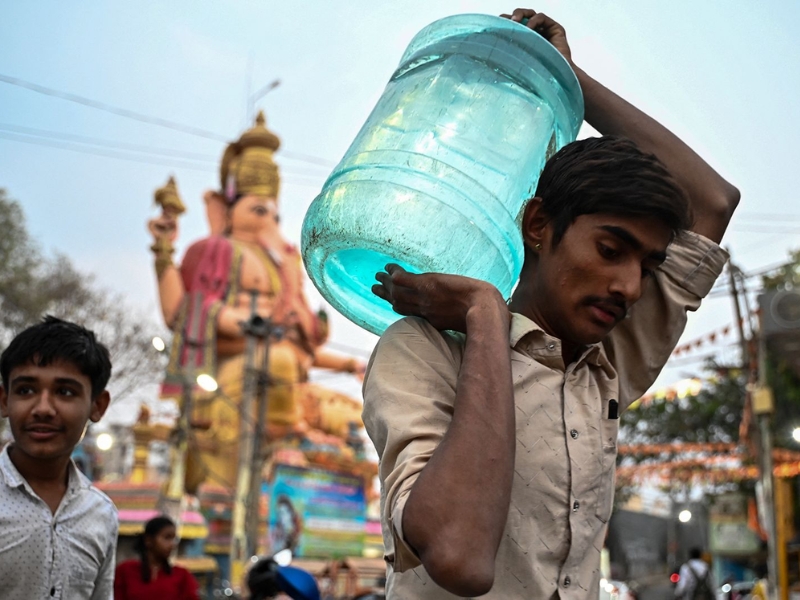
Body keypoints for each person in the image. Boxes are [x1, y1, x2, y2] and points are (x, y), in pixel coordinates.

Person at [363, 8, 739, 599]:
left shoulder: (603, 364)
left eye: (648, 265)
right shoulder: (423, 349)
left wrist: (568, 78)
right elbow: (460, 558)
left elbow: (713, 202)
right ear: (538, 225)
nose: (631, 287)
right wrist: (485, 312)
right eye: (611, 248)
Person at [0, 316, 117, 599]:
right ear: (4, 400)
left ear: (97, 406)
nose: (43, 408)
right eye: (26, 390)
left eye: (65, 392)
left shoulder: (100, 514)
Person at [114, 515, 200, 600]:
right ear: (148, 540)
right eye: (167, 538)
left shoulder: (182, 576)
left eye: (173, 539)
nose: (172, 545)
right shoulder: (125, 571)